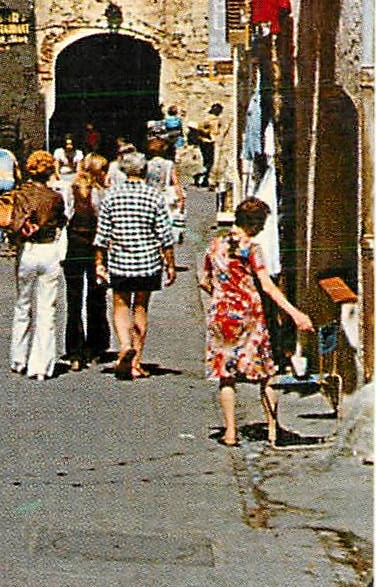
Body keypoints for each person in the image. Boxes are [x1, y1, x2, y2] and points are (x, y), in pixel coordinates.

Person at [198, 197, 313, 446]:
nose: (262, 229)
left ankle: (230, 432)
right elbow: (268, 286)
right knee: (266, 371)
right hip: (249, 313)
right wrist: (295, 314)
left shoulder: (215, 245)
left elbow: (204, 281)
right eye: (261, 224)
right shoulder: (251, 248)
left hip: (222, 313)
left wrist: (223, 295)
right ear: (254, 223)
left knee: (225, 373)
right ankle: (273, 428)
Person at [93, 148, 177, 379]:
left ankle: (123, 346)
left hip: (120, 260)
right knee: (141, 306)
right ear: (145, 170)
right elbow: (165, 235)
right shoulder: (154, 196)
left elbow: (102, 235)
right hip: (148, 262)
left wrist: (99, 262)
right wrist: (170, 264)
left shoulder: (111, 196)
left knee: (120, 305)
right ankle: (137, 361)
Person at [8, 150, 67, 381]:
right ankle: (41, 366)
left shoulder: (20, 195)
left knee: (22, 305)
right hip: (49, 250)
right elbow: (62, 221)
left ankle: (18, 359)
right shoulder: (55, 198)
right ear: (50, 171)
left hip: (28, 251)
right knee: (47, 309)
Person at [63, 152, 111, 368]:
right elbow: (105, 222)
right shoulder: (101, 194)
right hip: (95, 248)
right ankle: (96, 346)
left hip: (74, 246)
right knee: (96, 298)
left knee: (73, 300)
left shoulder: (70, 188)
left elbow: (65, 216)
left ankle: (74, 350)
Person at [145, 135, 186, 239]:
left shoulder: (147, 164)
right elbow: (175, 183)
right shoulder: (168, 164)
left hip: (149, 196)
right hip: (164, 197)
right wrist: (181, 199)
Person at [195, 103, 224, 188]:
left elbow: (217, 130)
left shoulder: (217, 119)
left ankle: (205, 179)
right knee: (209, 161)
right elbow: (200, 128)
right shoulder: (208, 119)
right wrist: (206, 132)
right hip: (206, 141)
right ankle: (201, 175)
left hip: (211, 141)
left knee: (209, 161)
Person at [52, 133, 82, 207]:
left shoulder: (78, 153)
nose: (69, 146)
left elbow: (79, 170)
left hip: (73, 176)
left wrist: (74, 182)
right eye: (67, 144)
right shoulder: (58, 152)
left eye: (71, 144)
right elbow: (56, 169)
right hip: (61, 177)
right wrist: (60, 179)